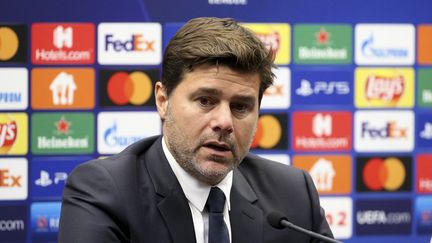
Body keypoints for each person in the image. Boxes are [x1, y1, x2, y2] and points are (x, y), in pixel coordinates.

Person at [58, 17, 333, 243]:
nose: (224, 122)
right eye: (205, 101)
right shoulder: (105, 192)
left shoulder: (293, 194)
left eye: (240, 107)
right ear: (163, 101)